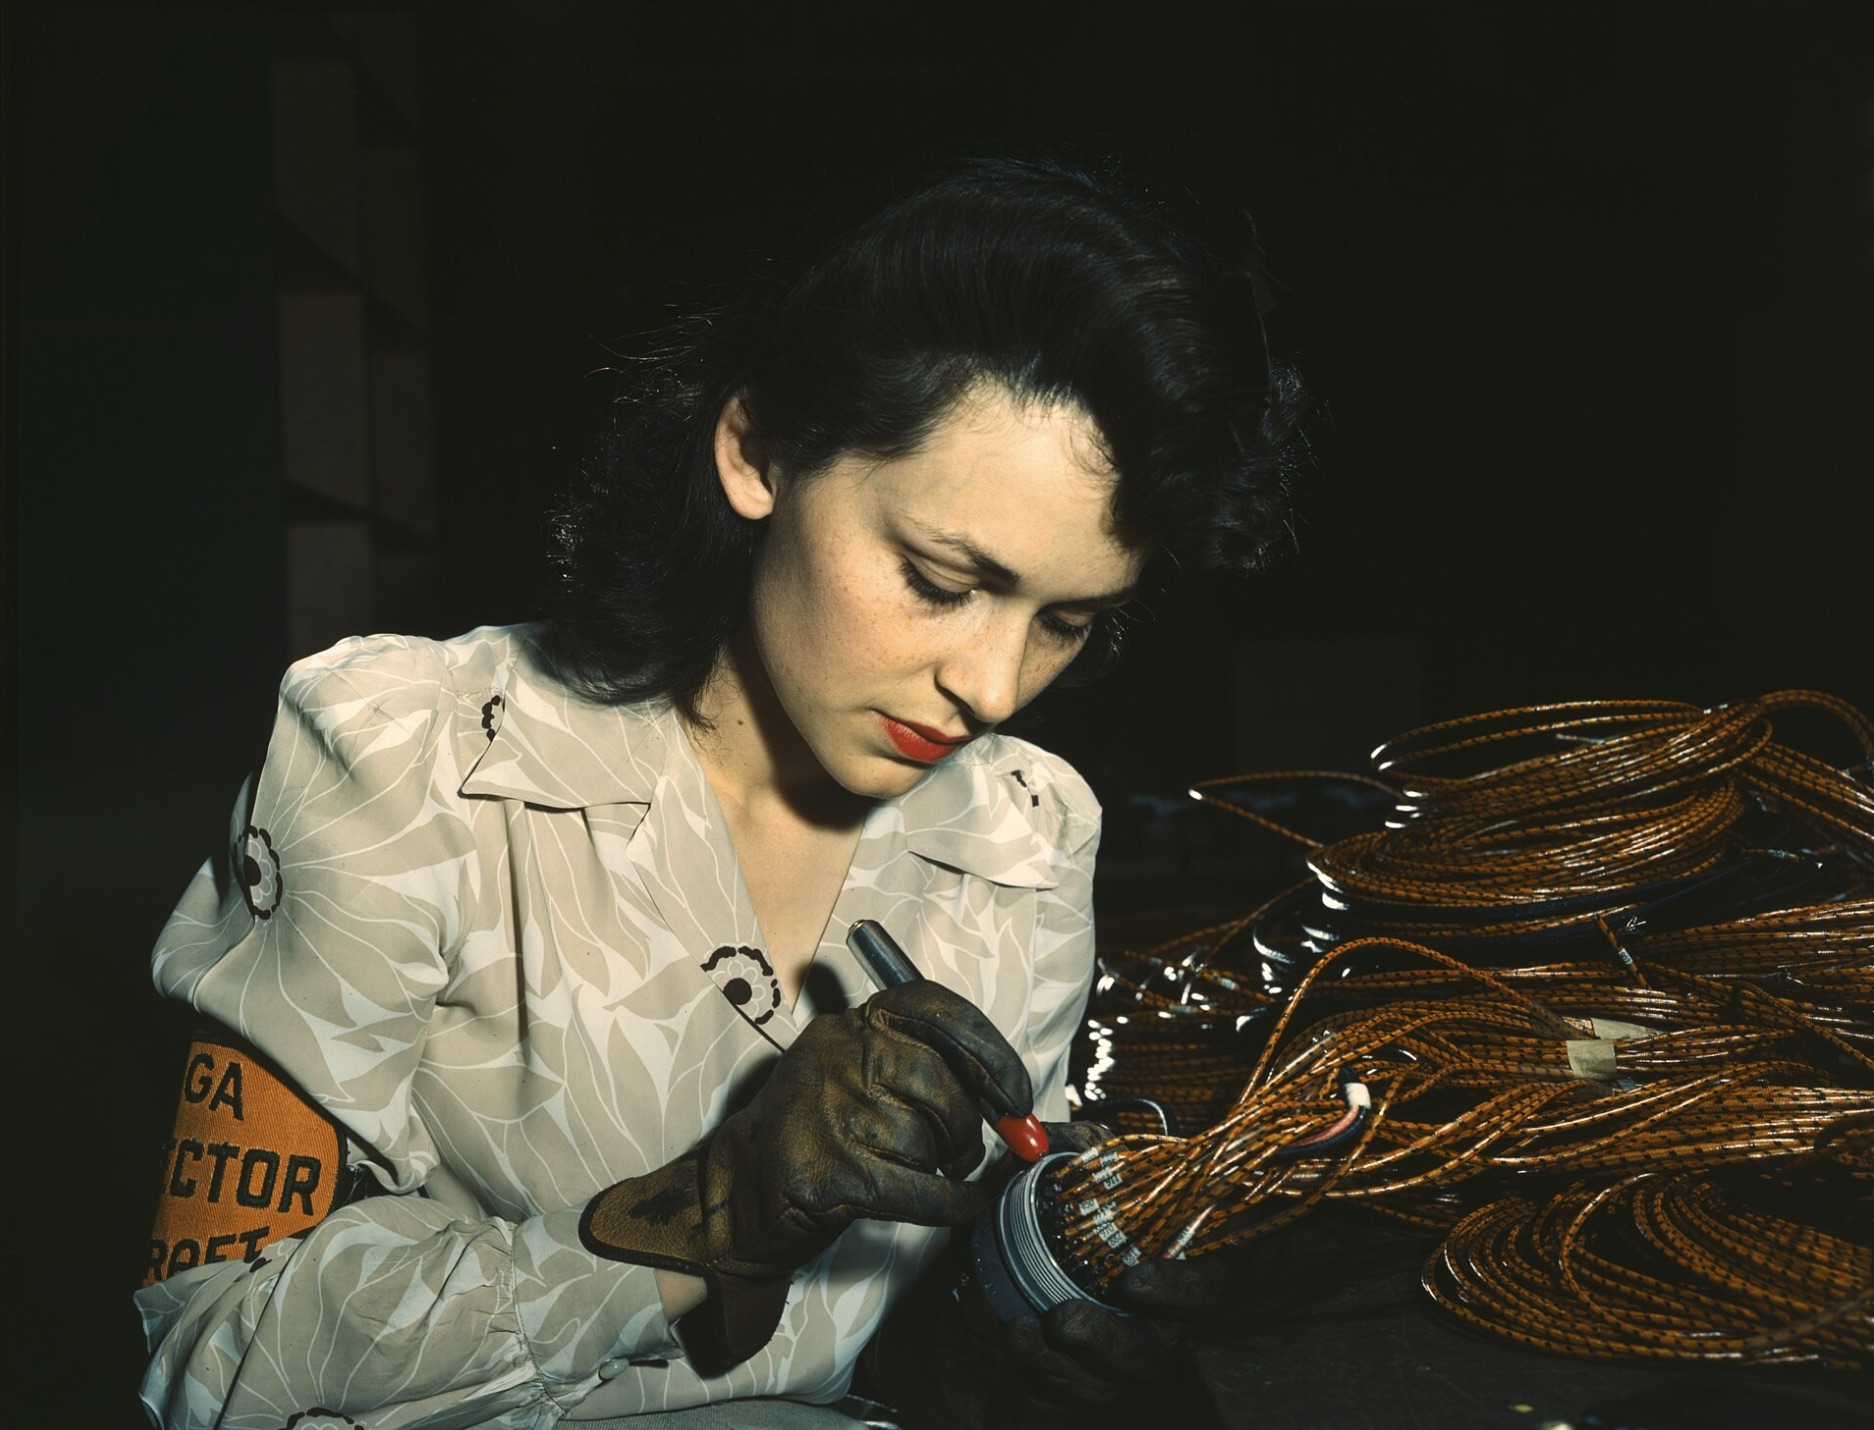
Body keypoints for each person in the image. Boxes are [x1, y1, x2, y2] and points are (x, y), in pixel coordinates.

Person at [134, 156, 1306, 1429]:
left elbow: (914, 1329)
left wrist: (1060, 1295)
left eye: (1066, 619)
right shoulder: (411, 754)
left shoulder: (1024, 835)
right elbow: (207, 1355)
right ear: (757, 452)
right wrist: (712, 1212)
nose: (992, 684)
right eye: (936, 576)